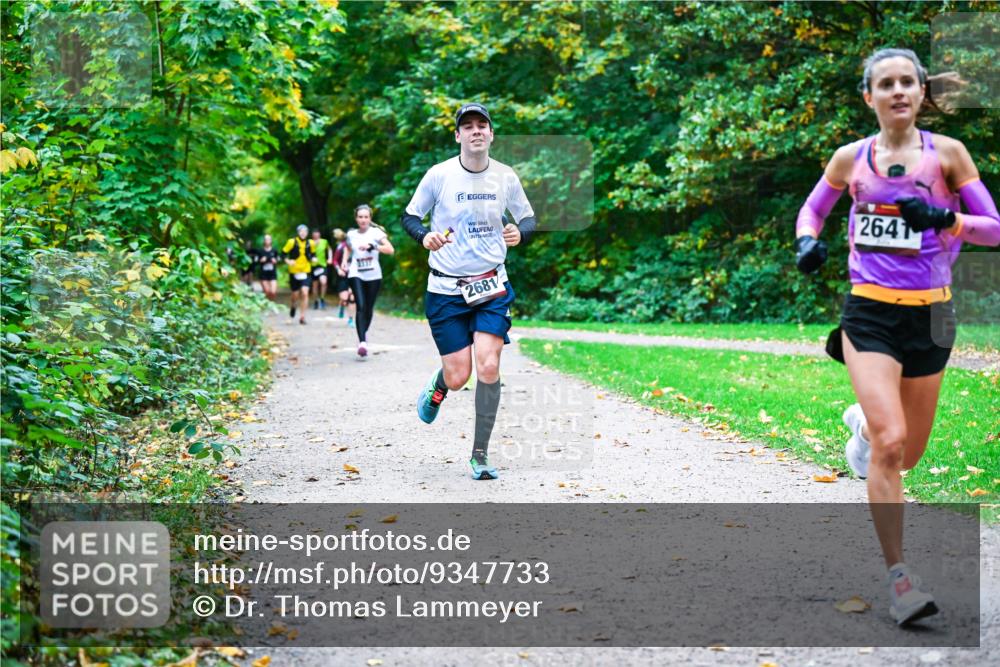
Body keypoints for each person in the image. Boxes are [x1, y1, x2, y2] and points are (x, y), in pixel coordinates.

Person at [795, 48, 999, 626]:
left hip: (931, 317)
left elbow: (994, 228)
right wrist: (808, 242)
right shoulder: (850, 159)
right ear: (870, 97)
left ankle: (859, 424)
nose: (898, 91)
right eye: (886, 84)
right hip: (869, 314)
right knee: (891, 444)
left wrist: (945, 219)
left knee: (908, 452)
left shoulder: (949, 156)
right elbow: (813, 211)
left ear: (920, 90)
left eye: (908, 81)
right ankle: (900, 580)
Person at [402, 103, 537, 481]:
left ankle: (480, 453)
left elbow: (527, 217)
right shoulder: (439, 175)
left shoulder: (505, 177)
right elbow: (410, 215)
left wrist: (520, 233)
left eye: (483, 125)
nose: (476, 131)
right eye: (468, 126)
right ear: (458, 135)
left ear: (491, 135)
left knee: (489, 365)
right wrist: (423, 235)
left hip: (492, 285)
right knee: (459, 375)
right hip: (445, 288)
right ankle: (439, 385)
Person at [342, 205, 394, 358]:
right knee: (361, 305)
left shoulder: (376, 233)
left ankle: (362, 331)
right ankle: (362, 342)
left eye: (366, 217)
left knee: (369, 308)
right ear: (356, 218)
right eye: (360, 217)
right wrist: (345, 261)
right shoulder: (351, 234)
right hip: (356, 272)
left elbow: (390, 249)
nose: (363, 220)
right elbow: (348, 248)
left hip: (373, 275)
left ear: (370, 218)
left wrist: (374, 246)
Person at [282, 224, 316, 325]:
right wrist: (288, 261)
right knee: (295, 295)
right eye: (301, 231)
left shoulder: (311, 243)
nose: (303, 233)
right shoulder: (291, 242)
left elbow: (313, 254)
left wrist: (313, 258)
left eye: (305, 231)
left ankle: (302, 316)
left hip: (306, 271)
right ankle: (293, 306)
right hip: (294, 271)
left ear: (307, 233)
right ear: (298, 232)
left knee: (305, 292)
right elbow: (282, 254)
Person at [332, 228, 355, 327]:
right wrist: (338, 269)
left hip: (355, 275)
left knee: (352, 297)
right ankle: (341, 305)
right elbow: (335, 260)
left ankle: (351, 319)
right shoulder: (341, 246)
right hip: (343, 275)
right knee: (344, 298)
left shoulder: (360, 246)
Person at [310, 228, 332, 310]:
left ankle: (322, 298)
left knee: (324, 281)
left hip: (322, 265)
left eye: (317, 233)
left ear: (319, 234)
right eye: (314, 234)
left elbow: (329, 249)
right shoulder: (310, 242)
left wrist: (330, 258)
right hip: (313, 266)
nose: (316, 235)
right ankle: (316, 301)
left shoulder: (324, 241)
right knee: (315, 285)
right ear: (312, 235)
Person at [257, 234, 279, 301]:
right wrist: (261, 260)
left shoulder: (274, 250)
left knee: (273, 292)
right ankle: (267, 305)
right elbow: (256, 261)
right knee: (267, 291)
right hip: (263, 274)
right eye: (266, 239)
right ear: (264, 241)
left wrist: (275, 261)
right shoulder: (260, 251)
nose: (267, 241)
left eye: (269, 239)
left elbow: (278, 260)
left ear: (271, 240)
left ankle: (272, 303)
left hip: (272, 273)